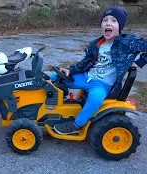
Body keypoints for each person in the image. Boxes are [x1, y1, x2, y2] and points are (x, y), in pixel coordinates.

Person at [51, 7, 147, 135]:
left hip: (103, 85)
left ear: (120, 25)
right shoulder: (96, 44)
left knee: (95, 99)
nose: (108, 23)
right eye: (105, 20)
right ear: (101, 24)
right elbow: (85, 63)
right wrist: (70, 70)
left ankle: (77, 124)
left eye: (113, 20)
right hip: (87, 77)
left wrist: (139, 62)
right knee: (55, 77)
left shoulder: (127, 43)